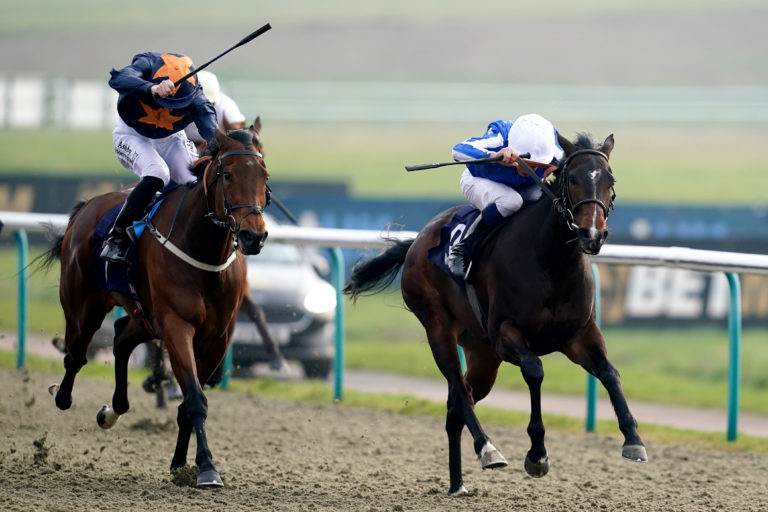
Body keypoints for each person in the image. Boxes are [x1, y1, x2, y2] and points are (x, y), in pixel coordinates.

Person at [101, 51, 217, 265]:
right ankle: (117, 236)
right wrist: (151, 88)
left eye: (175, 106)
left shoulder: (198, 101)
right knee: (158, 173)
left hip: (169, 137)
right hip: (131, 134)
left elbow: (215, 136)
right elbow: (117, 78)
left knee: (193, 184)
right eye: (165, 103)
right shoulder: (147, 63)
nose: (166, 109)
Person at [447, 113, 564, 278]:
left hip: (523, 187)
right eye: (527, 164)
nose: (531, 170)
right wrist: (492, 156)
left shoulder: (552, 149)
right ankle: (463, 247)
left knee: (547, 202)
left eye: (537, 165)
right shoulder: (501, 135)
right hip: (478, 180)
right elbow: (457, 150)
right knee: (511, 202)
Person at [184, 70, 246, 150]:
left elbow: (239, 132)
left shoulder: (226, 105)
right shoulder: (181, 103)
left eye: (210, 103)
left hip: (218, 148)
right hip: (185, 146)